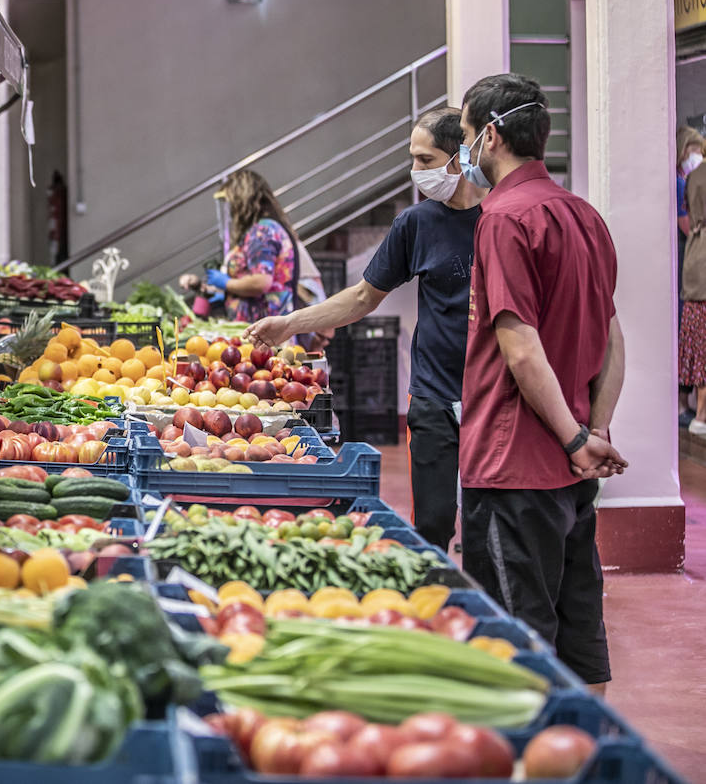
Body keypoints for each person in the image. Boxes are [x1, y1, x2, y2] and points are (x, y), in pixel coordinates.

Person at [456, 73, 626, 691]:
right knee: (579, 633)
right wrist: (591, 432)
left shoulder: (503, 218)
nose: (464, 153)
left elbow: (521, 347)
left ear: (492, 135)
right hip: (570, 473)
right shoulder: (585, 217)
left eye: (468, 136)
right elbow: (613, 338)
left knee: (515, 645)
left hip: (513, 468)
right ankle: (588, 756)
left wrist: (575, 437)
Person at [247, 108, 482, 551]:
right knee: (431, 525)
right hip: (434, 396)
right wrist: (290, 323)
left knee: (487, 527)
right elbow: (361, 298)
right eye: (412, 159)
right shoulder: (416, 224)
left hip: (492, 399)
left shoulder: (502, 219)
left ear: (461, 157)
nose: (416, 172)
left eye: (426, 160)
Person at [182, 169, 298, 322]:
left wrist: (226, 283)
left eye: (231, 202)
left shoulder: (263, 231)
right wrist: (201, 285)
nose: (230, 210)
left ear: (242, 200)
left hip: (265, 332)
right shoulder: (259, 230)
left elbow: (260, 282)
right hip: (254, 330)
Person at [676, 128, 704, 426]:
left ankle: (685, 404)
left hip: (690, 267)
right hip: (690, 269)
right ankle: (686, 405)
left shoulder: (684, 181)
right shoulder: (681, 183)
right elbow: (687, 225)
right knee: (691, 334)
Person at [681, 151, 706, 435]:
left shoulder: (694, 175)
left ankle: (699, 414)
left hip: (695, 256)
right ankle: (700, 414)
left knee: (698, 339)